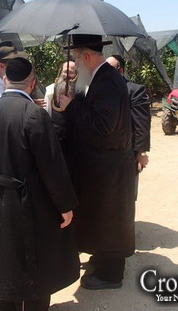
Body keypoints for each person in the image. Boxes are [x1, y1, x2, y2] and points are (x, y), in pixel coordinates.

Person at [0, 57, 80, 310]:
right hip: (30, 205)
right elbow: (52, 166)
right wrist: (65, 205)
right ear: (32, 84)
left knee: (4, 264)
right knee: (36, 267)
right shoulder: (34, 115)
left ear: (5, 79)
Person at [58, 34, 136, 290]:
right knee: (104, 218)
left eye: (77, 59)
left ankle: (110, 274)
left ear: (87, 56)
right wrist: (76, 101)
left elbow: (103, 125)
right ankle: (103, 260)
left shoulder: (107, 81)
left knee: (111, 220)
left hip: (110, 168)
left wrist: (71, 107)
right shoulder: (103, 78)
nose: (76, 65)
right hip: (105, 166)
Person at [106, 55, 151, 177]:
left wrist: (141, 152)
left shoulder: (134, 90)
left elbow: (141, 123)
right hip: (106, 153)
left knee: (127, 191)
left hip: (127, 153)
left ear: (120, 70)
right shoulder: (102, 91)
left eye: (109, 68)